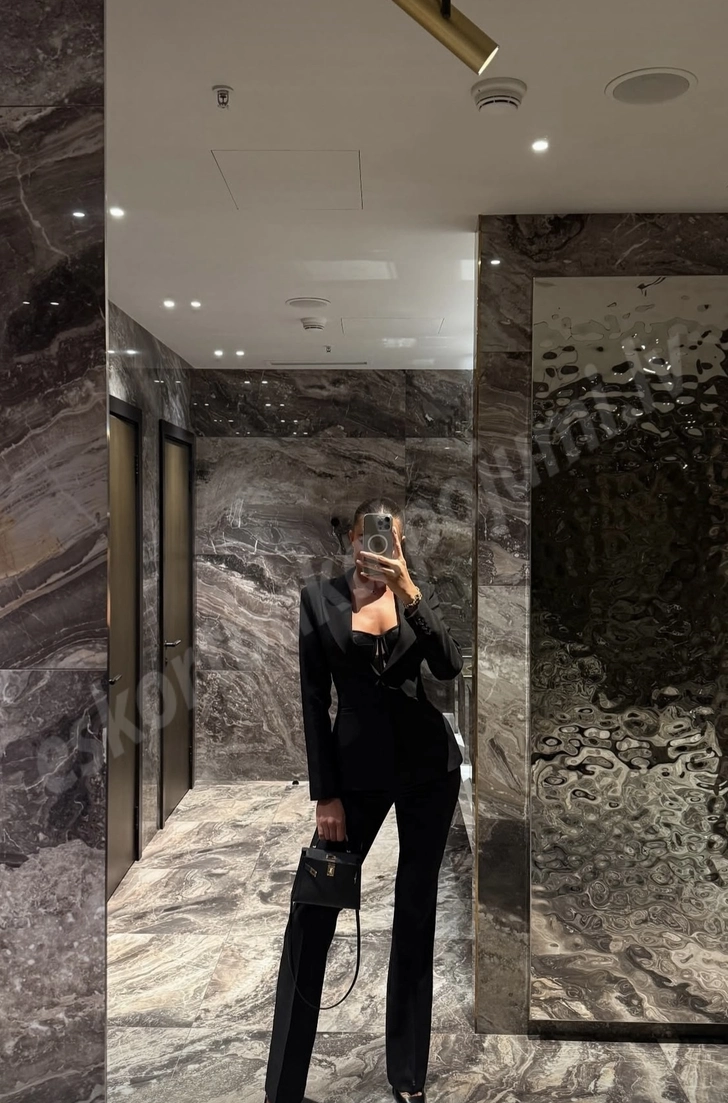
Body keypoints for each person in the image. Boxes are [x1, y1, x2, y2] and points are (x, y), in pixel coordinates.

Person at [264, 498, 463, 1103]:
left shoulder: (413, 594)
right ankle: (283, 1089)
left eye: (390, 538)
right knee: (311, 915)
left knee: (415, 916)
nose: (378, 546)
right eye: (368, 536)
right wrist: (325, 794)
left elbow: (448, 667)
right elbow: (311, 700)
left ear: (399, 543)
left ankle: (408, 1078)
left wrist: (410, 592)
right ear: (351, 540)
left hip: (429, 772)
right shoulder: (318, 599)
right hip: (354, 779)